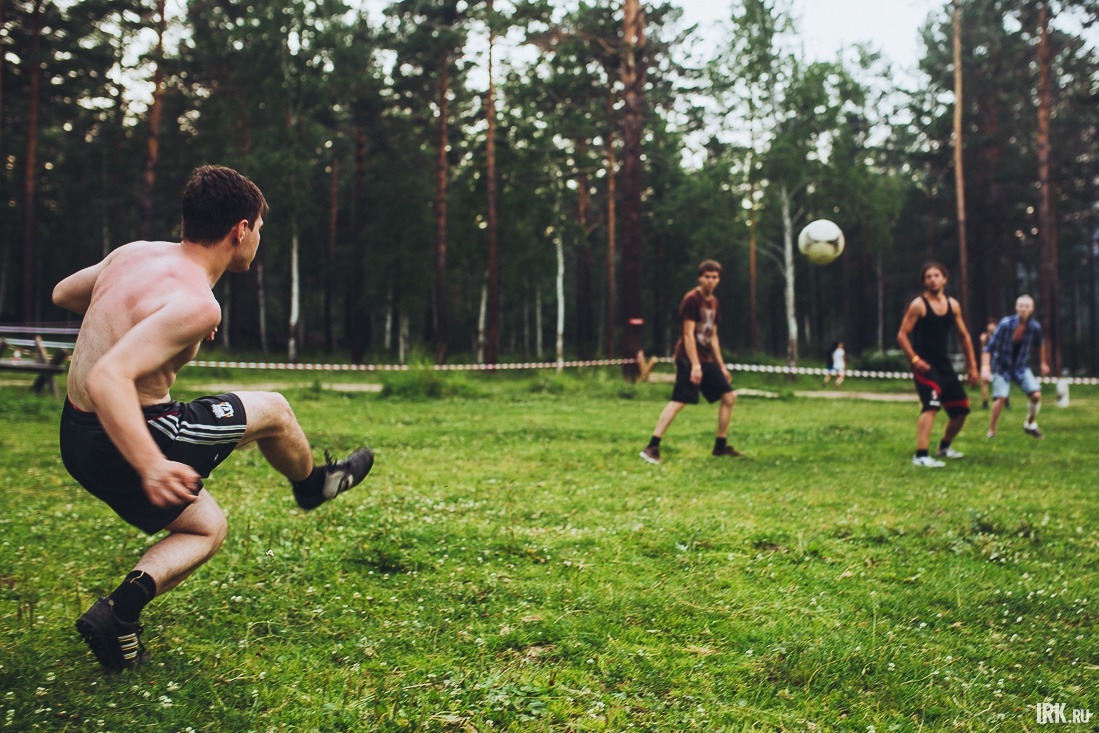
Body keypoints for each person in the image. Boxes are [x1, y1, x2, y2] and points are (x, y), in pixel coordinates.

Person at [54, 165, 374, 672]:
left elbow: (64, 293)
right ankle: (312, 485)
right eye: (260, 231)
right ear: (240, 230)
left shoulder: (133, 255)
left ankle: (118, 615)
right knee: (275, 408)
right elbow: (107, 379)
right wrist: (151, 466)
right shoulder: (198, 303)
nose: (257, 241)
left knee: (207, 528)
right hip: (137, 434)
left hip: (75, 437)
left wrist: (148, 321)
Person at [639, 259, 742, 464]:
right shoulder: (691, 299)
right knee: (679, 401)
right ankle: (652, 447)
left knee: (729, 397)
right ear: (699, 278)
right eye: (707, 277)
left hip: (705, 359)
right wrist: (695, 365)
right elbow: (688, 335)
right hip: (688, 358)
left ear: (719, 279)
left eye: (714, 277)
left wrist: (721, 365)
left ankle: (720, 447)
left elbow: (712, 336)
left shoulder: (714, 302)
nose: (710, 281)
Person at [896, 262, 979, 468]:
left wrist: (972, 367)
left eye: (936, 275)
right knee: (931, 406)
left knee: (961, 410)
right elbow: (902, 335)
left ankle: (944, 447)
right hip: (924, 366)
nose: (933, 279)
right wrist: (914, 360)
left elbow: (964, 336)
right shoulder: (919, 305)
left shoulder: (953, 305)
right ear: (924, 281)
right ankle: (921, 455)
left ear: (945, 279)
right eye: (928, 277)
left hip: (944, 365)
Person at [981, 294, 1051, 439]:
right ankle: (991, 431)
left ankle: (1029, 425)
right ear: (1016, 307)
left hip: (1020, 366)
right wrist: (986, 367)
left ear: (1032, 309)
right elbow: (989, 348)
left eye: (1027, 306)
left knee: (1036, 395)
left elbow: (1040, 344)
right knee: (1000, 398)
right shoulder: (1005, 324)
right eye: (1021, 306)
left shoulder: (1034, 327)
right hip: (1001, 366)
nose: (1023, 309)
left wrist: (1043, 363)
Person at [977, 318, 997, 409]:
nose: (991, 327)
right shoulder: (984, 337)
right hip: (987, 361)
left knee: (999, 381)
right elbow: (983, 350)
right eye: (990, 324)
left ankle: (1003, 400)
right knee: (984, 381)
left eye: (993, 324)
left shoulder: (999, 336)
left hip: (996, 361)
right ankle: (985, 402)